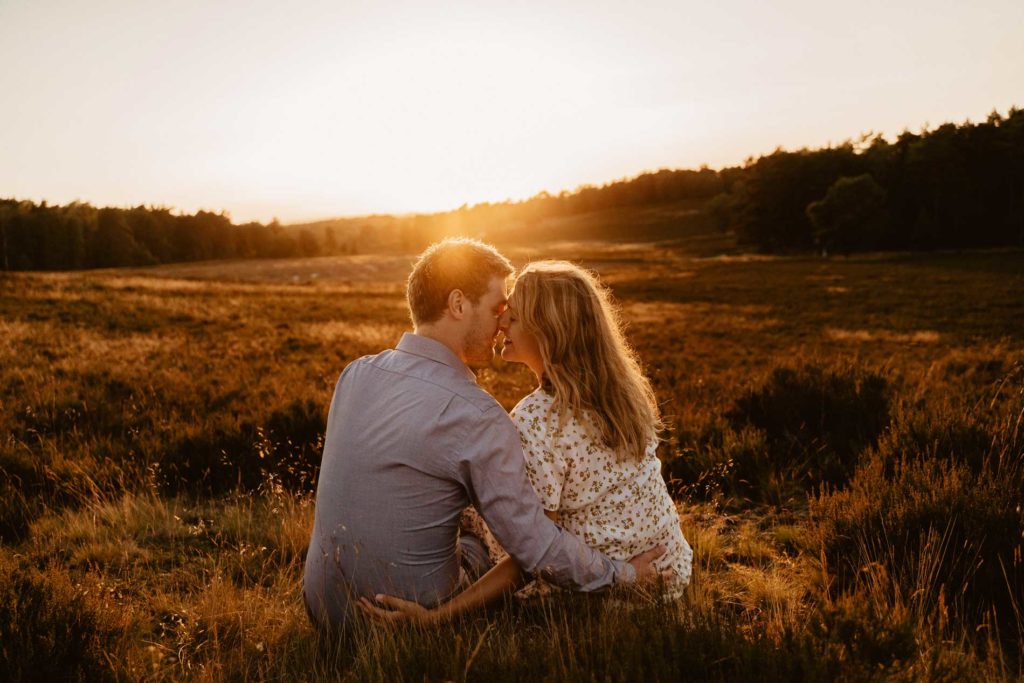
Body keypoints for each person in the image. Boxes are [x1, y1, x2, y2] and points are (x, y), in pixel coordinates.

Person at [302, 239, 664, 633]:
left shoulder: (355, 374)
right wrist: (624, 575)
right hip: (409, 617)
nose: (502, 322)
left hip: (323, 607)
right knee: (485, 546)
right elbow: (535, 548)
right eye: (496, 309)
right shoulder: (477, 414)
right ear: (458, 305)